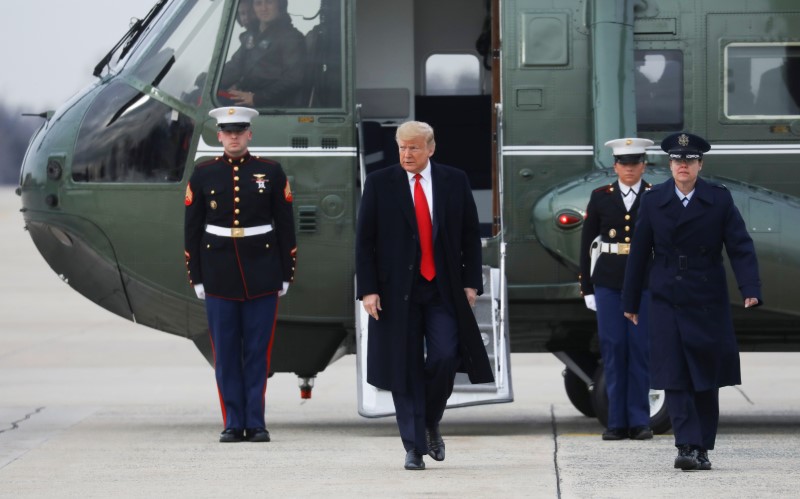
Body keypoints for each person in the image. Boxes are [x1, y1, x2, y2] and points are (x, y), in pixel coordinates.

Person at [355, 121, 494, 471]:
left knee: (446, 355)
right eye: (402, 147)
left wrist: (470, 283)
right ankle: (414, 447)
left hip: (441, 287)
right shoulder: (379, 183)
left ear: (430, 149)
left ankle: (431, 419)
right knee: (404, 367)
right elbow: (365, 241)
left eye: (414, 148)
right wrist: (368, 290)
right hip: (394, 292)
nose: (406, 154)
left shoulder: (453, 180)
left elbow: (468, 236)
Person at [622, 132, 762, 471]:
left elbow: (740, 246)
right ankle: (686, 445)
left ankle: (702, 447)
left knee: (705, 377)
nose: (682, 166)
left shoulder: (719, 199)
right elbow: (639, 253)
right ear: (669, 165)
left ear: (700, 164)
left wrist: (750, 288)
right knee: (675, 375)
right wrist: (631, 301)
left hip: (706, 296)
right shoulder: (654, 200)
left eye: (689, 160)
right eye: (676, 160)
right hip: (667, 296)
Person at [184, 106, 297, 443]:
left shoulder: (271, 172)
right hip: (218, 273)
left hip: (262, 272)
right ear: (218, 135)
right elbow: (191, 230)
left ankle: (256, 422)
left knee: (258, 352)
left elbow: (285, 226)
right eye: (227, 131)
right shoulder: (203, 174)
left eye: (240, 131)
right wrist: (197, 277)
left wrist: (286, 272)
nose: (233, 137)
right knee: (227, 353)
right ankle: (234, 422)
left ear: (250, 134)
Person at [579, 138, 654, 441]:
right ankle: (615, 422)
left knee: (640, 349)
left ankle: (639, 421)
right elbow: (587, 243)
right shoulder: (601, 197)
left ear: (643, 166)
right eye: (623, 163)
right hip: (608, 281)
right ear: (615, 166)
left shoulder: (654, 195)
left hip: (644, 282)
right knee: (613, 349)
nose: (629, 169)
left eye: (635, 163)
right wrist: (586, 287)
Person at [219, 0, 306, 107]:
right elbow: (234, 67)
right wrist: (208, 83)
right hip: (246, 96)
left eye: (269, 2)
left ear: (280, 4)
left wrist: (257, 98)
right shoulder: (252, 35)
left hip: (267, 106)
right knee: (197, 97)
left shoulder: (291, 38)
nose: (263, 8)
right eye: (258, 3)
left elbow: (294, 79)